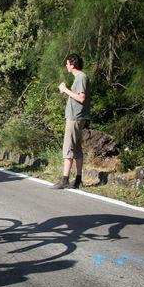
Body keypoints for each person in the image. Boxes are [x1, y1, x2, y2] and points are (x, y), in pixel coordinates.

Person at [52, 53, 92, 189]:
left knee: (68, 148)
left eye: (67, 63)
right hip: (77, 117)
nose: (66, 65)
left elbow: (81, 98)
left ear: (72, 64)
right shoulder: (80, 78)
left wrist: (65, 89)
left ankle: (64, 179)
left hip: (75, 118)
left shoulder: (81, 77)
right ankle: (78, 180)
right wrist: (67, 91)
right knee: (77, 149)